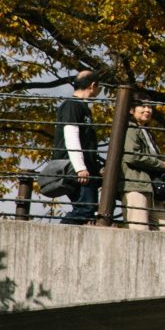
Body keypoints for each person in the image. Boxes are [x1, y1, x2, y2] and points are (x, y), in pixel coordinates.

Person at [53, 71, 104, 224]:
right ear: (93, 85)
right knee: (86, 208)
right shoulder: (72, 105)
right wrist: (80, 167)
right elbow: (71, 135)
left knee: (87, 208)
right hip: (74, 168)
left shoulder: (82, 107)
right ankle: (57, 235)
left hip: (82, 168)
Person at [119, 98, 165, 231]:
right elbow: (132, 156)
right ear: (131, 110)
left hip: (151, 188)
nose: (147, 110)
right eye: (143, 106)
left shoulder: (146, 131)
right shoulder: (131, 129)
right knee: (139, 229)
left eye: (150, 106)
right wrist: (161, 165)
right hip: (136, 184)